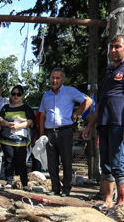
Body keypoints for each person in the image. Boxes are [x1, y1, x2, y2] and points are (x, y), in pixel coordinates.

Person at [83, 35, 124, 208]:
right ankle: (108, 200)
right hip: (104, 123)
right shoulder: (110, 71)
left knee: (118, 162)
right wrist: (90, 125)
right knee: (106, 164)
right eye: (111, 47)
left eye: (117, 46)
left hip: (120, 122)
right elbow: (102, 102)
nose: (113, 50)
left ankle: (121, 202)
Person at [39, 68, 92, 197]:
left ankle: (66, 189)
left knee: (67, 161)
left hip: (65, 131)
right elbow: (42, 115)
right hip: (49, 132)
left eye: (58, 78)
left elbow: (89, 101)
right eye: (53, 78)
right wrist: (41, 135)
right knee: (52, 163)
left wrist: (76, 113)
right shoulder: (46, 95)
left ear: (63, 80)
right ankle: (55, 188)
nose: (55, 80)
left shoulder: (70, 91)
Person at [0, 85, 35, 189]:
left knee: (21, 162)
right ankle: (9, 182)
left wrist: (18, 126)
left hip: (20, 142)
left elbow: (30, 121)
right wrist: (7, 124)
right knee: (9, 161)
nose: (15, 96)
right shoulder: (6, 107)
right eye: (13, 94)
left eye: (18, 94)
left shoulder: (26, 107)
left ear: (22, 96)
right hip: (6, 141)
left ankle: (25, 184)